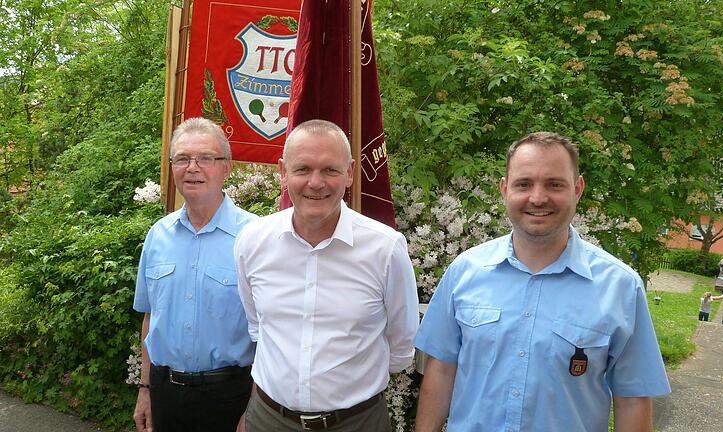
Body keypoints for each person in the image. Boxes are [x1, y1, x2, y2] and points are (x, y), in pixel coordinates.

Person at [413, 132, 670, 432]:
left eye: (554, 184)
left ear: (577, 189)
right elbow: (441, 371)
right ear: (504, 189)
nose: (537, 197)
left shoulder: (621, 288)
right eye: (524, 184)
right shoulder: (464, 272)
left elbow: (633, 399)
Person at [234, 119, 419, 432]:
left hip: (357, 423)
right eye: (303, 169)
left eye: (330, 170)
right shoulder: (252, 242)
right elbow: (258, 326)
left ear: (349, 173)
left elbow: (401, 343)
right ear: (283, 172)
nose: (315, 182)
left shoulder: (385, 249)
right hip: (269, 420)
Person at [132, 118, 256, 432]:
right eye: (183, 158)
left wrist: (256, 408)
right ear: (172, 167)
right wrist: (144, 390)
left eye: (205, 158)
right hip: (165, 394)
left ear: (227, 168)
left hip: (231, 396)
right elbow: (150, 319)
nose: (193, 167)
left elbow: (271, 331)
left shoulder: (255, 237)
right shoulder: (158, 236)